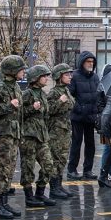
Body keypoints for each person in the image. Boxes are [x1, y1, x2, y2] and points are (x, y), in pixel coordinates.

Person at [0, 55, 25, 219]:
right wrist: (8, 106)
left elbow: (20, 115)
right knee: (0, 170)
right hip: (2, 135)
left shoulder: (16, 87)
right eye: (21, 69)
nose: (23, 72)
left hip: (13, 135)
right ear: (12, 70)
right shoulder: (0, 89)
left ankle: (3, 203)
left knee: (9, 170)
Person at [20, 65, 56, 206]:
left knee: (48, 165)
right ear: (35, 78)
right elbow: (19, 113)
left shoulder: (42, 93)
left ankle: (40, 193)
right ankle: (29, 197)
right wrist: (31, 108)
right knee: (27, 167)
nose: (46, 78)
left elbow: (46, 114)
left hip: (42, 135)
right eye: (44, 76)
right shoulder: (27, 94)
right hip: (29, 136)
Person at [67, 52, 102, 181]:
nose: (91, 64)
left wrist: (98, 111)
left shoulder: (95, 77)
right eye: (88, 62)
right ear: (82, 63)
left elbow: (98, 95)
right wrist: (79, 108)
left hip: (91, 117)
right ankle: (72, 170)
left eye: (92, 62)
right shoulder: (74, 76)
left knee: (90, 145)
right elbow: (70, 95)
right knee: (76, 143)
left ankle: (88, 170)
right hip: (78, 116)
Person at [44, 63, 74, 200]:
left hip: (65, 129)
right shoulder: (54, 92)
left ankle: (59, 185)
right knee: (55, 158)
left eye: (70, 74)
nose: (70, 77)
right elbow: (48, 111)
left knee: (62, 158)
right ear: (59, 76)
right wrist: (60, 102)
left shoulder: (66, 90)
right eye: (66, 74)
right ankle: (54, 187)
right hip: (56, 130)